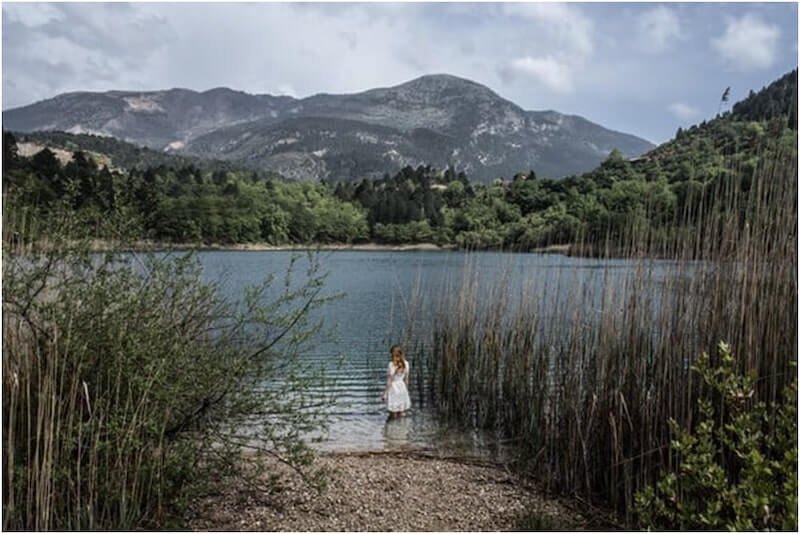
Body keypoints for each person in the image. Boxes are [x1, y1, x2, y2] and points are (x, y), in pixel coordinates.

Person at [381, 344, 411, 417]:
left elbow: (389, 381)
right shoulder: (406, 364)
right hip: (402, 387)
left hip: (393, 388)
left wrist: (385, 393)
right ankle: (403, 427)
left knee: (393, 412)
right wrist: (406, 390)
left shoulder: (391, 365)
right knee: (402, 411)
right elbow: (406, 379)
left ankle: (393, 427)